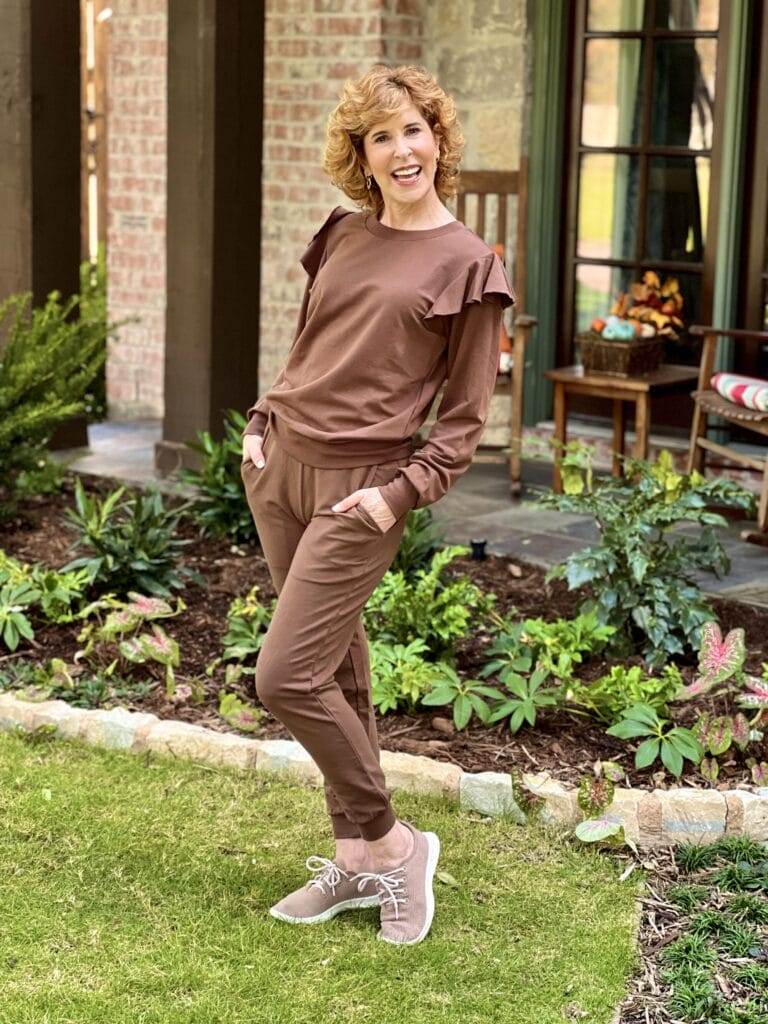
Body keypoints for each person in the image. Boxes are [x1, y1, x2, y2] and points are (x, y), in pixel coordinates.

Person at [240, 62, 515, 946]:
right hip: (280, 466)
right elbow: (308, 343)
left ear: (439, 138)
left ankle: (394, 844)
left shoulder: (471, 265)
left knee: (283, 676)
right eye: (381, 136)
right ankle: (356, 860)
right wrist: (259, 419)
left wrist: (397, 495)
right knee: (337, 669)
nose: (402, 150)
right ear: (361, 153)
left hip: (361, 490)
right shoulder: (343, 233)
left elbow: (466, 421)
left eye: (414, 130)